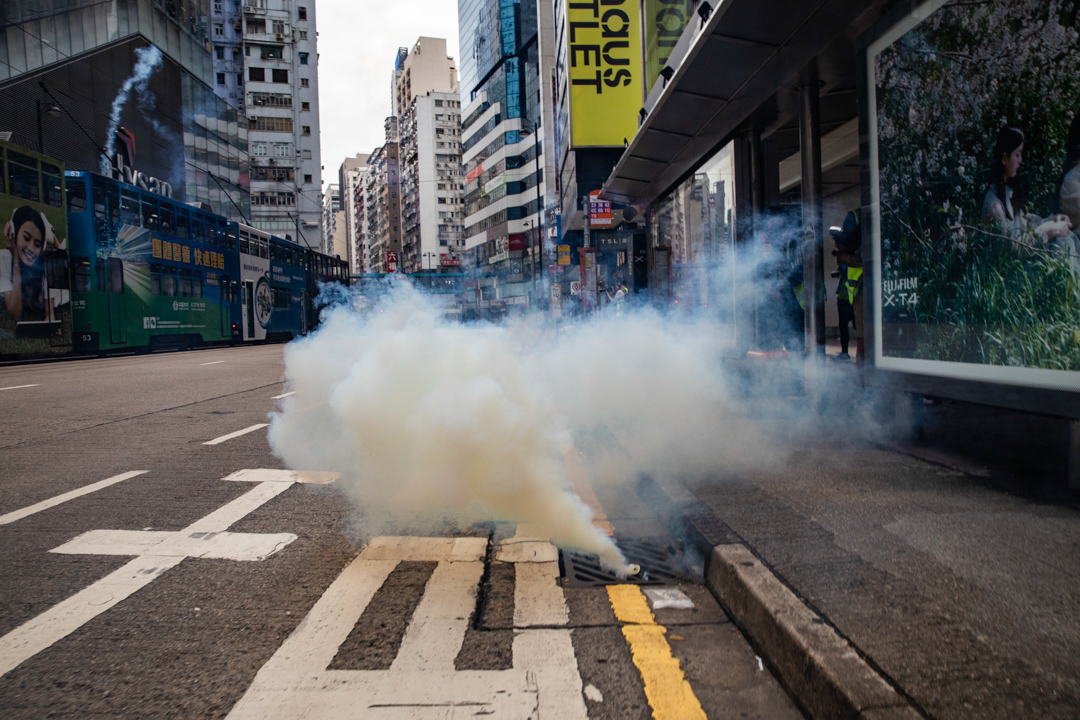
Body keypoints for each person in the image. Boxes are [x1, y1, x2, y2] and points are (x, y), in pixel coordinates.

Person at [983, 126, 1072, 245]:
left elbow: (1024, 224)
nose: (1020, 160)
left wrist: (1052, 220)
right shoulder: (994, 206)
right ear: (1005, 158)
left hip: (1022, 258)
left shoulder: (1007, 191)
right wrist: (1049, 231)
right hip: (1013, 262)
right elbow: (1009, 252)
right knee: (1059, 243)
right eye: (1017, 155)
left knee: (1065, 238)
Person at [1, 206, 51, 322]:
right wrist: (16, 262)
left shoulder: (42, 265)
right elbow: (16, 314)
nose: (31, 249)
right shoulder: (4, 257)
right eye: (26, 238)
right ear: (13, 234)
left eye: (37, 245)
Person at [830, 210, 863, 363]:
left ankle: (846, 354)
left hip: (852, 293)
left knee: (856, 327)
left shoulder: (851, 255)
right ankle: (845, 352)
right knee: (849, 326)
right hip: (849, 293)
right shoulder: (847, 256)